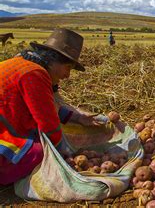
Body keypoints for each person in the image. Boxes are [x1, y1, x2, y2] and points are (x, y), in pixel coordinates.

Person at [0, 29, 102, 185]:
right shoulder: (34, 74)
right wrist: (63, 154)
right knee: (38, 152)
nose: (67, 75)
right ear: (54, 60)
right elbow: (48, 124)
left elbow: (43, 106)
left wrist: (78, 118)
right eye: (68, 67)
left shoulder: (26, 63)